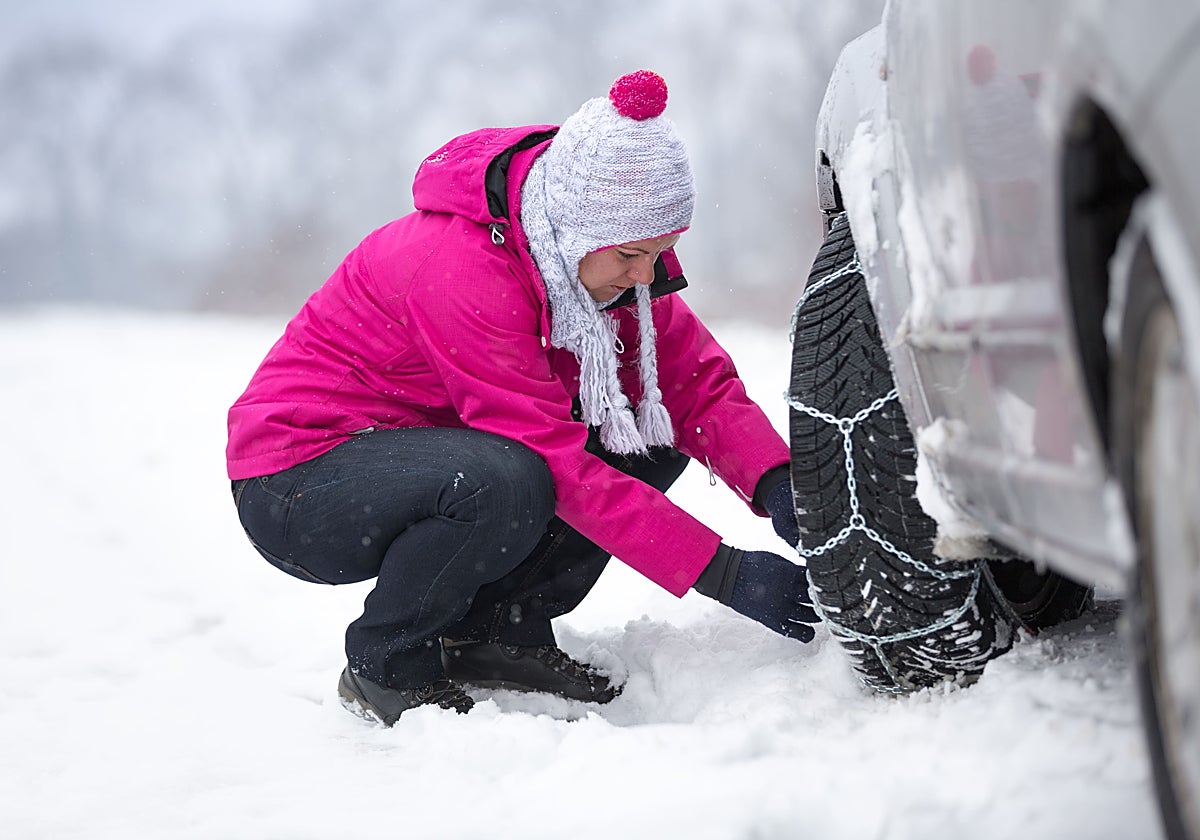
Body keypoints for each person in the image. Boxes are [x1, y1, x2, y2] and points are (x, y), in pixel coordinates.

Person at [227, 69, 818, 726]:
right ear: (574, 231)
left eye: (660, 252)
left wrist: (782, 487)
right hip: (298, 482)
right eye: (631, 254)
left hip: (426, 457)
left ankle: (499, 634)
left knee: (640, 431)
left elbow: (691, 388)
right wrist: (726, 573)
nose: (645, 274)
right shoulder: (461, 269)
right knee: (505, 480)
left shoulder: (602, 276)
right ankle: (385, 665)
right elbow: (556, 464)